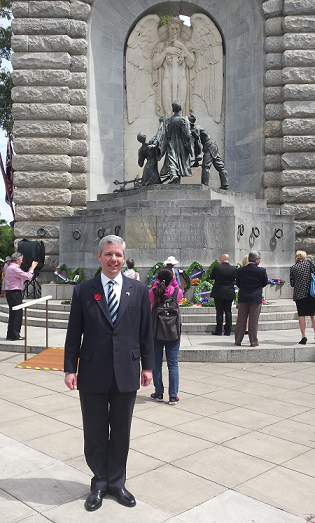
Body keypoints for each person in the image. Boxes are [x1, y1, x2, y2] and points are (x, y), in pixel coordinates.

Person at [64, 235, 154, 512]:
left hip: (126, 370)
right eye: (108, 254)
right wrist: (70, 368)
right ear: (99, 257)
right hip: (92, 371)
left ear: (124, 257)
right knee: (94, 431)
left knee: (121, 431)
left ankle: (117, 482)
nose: (114, 259)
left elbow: (145, 332)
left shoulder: (138, 290)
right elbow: (73, 334)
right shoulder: (83, 290)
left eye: (118, 254)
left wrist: (148, 366)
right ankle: (99, 483)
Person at [149, 267, 183, 405]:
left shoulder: (153, 292)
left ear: (158, 278)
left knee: (156, 363)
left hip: (156, 332)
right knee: (173, 365)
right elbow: (176, 289)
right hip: (174, 333)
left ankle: (159, 392)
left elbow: (153, 290)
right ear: (172, 278)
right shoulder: (177, 292)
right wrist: (174, 279)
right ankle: (173, 395)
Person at [152, 17, 196, 117]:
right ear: (168, 29)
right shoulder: (161, 45)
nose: (175, 31)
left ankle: (181, 132)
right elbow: (155, 64)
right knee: (167, 111)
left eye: (177, 29)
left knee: (181, 112)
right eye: (172, 28)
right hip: (167, 78)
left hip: (182, 79)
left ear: (180, 29)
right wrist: (167, 51)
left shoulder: (187, 44)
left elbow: (191, 63)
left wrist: (182, 47)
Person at [234, 251, 268, 347]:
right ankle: (253, 341)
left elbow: (238, 284)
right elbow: (264, 282)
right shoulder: (262, 271)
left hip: (243, 297)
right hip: (255, 298)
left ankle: (238, 340)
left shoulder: (240, 270)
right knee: (253, 320)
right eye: (259, 259)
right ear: (256, 260)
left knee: (241, 319)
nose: (260, 261)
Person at [189, 114, 229, 189]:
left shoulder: (195, 129)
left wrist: (199, 156)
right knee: (219, 165)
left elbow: (198, 143)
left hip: (209, 147)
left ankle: (205, 185)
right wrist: (196, 162)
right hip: (212, 146)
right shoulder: (196, 128)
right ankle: (225, 184)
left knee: (206, 166)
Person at [158, 101, 193, 183]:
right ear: (180, 109)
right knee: (178, 161)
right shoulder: (184, 120)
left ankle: (174, 175)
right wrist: (190, 149)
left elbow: (162, 133)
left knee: (172, 159)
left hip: (171, 144)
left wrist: (161, 122)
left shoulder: (168, 121)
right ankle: (174, 176)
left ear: (173, 110)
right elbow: (187, 135)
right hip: (182, 146)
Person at [5, 252, 38, 341]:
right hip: (14, 293)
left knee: (13, 314)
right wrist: (32, 268)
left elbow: (23, 276)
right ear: (17, 259)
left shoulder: (10, 267)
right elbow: (28, 276)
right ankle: (15, 334)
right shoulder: (14, 268)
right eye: (21, 259)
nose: (22, 261)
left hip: (11, 292)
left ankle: (10, 334)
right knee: (17, 314)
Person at [290, 250, 315, 344]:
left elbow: (292, 283)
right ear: (304, 257)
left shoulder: (293, 268)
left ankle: (303, 336)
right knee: (313, 315)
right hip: (311, 294)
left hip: (299, 294)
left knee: (301, 315)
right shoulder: (309, 265)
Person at [210, 254, 237, 336]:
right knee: (228, 311)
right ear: (228, 259)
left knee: (219, 311)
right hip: (229, 292)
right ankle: (228, 331)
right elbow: (235, 279)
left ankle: (218, 330)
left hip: (219, 292)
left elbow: (212, 277)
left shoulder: (217, 267)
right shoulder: (233, 269)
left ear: (222, 259)